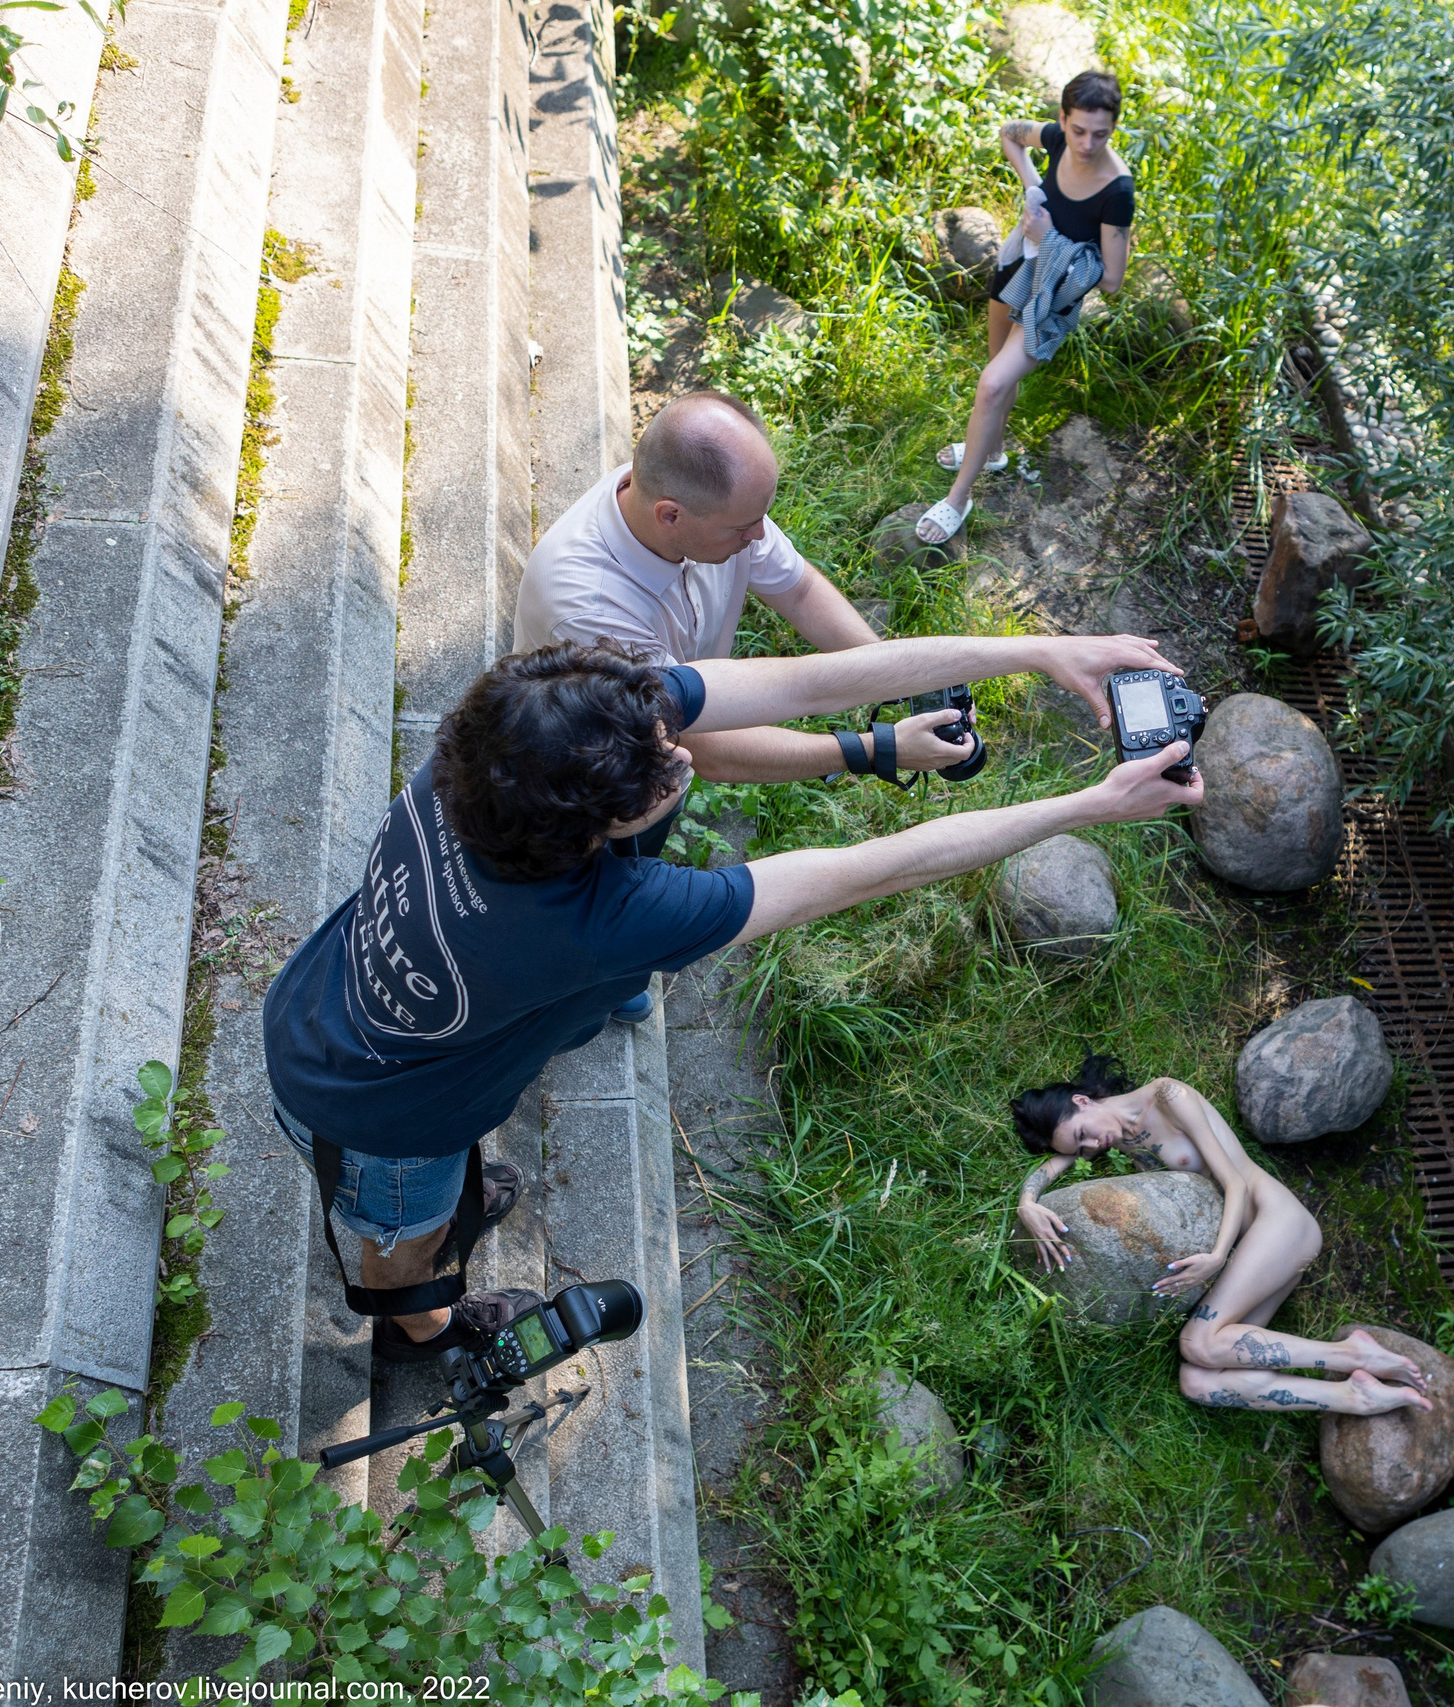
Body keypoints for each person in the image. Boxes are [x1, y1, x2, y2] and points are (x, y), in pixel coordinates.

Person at [263, 633, 1200, 1359]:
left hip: (327, 997)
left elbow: (805, 678)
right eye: (656, 776)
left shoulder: (512, 744)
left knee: (440, 1180)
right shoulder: (591, 919)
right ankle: (420, 1323)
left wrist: (1037, 652)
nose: (681, 758)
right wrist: (1090, 804)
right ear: (584, 835)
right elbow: (872, 869)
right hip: (375, 1112)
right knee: (403, 1232)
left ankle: (436, 1230)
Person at [516, 390, 974, 793]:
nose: (760, 536)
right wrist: (877, 750)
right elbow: (703, 745)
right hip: (589, 784)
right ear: (670, 515)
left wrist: (897, 677)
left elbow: (798, 590)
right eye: (743, 526)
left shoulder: (693, 495)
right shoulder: (588, 608)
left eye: (762, 515)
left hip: (666, 749)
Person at [1010, 1055, 1431, 1415]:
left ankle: (1353, 1354)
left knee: (1197, 1342)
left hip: (1278, 1224)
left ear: (1082, 1101)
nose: (1093, 1147)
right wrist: (1027, 1203)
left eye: (1084, 1134)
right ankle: (1352, 1395)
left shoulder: (1168, 1097)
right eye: (1082, 1149)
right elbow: (1052, 1168)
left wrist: (1216, 1255)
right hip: (1257, 1253)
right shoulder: (1112, 1140)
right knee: (1199, 1382)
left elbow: (1236, 1183)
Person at [918, 71, 1135, 547]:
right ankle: (991, 451)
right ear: (1063, 118)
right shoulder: (1057, 139)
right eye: (1078, 130)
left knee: (993, 383)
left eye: (1101, 134)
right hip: (1017, 269)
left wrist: (1049, 239)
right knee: (997, 376)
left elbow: (1113, 280)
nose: (1087, 143)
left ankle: (958, 499)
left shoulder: (1117, 190)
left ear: (1113, 128)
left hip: (1052, 303)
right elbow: (1009, 133)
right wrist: (1033, 184)